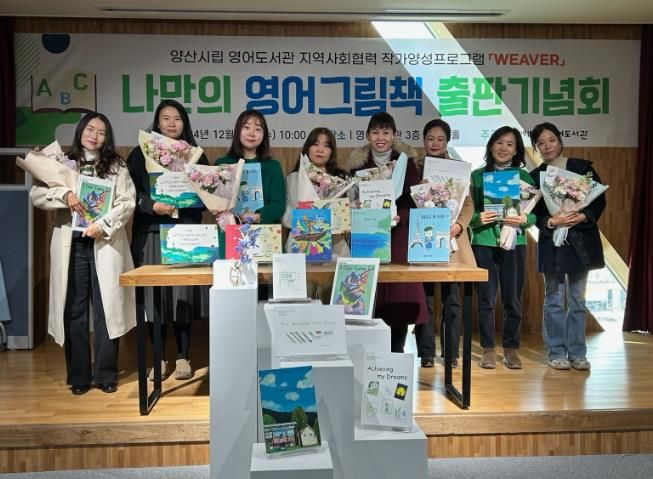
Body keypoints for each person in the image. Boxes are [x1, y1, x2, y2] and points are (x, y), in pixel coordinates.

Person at [30, 112, 136, 395]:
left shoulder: (116, 165)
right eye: (90, 129)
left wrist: (103, 225)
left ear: (107, 138)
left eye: (101, 132)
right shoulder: (62, 162)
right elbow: (36, 195)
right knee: (74, 310)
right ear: (80, 131)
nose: (94, 136)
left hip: (104, 242)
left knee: (106, 309)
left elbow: (127, 202)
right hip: (73, 244)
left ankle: (106, 374)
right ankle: (78, 376)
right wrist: (64, 195)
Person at [127, 99, 208, 381]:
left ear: (185, 123)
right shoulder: (140, 154)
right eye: (166, 118)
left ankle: (184, 357)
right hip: (151, 231)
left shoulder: (196, 156)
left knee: (181, 297)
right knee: (154, 298)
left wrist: (193, 199)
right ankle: (158, 358)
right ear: (157, 122)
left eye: (177, 118)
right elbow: (130, 193)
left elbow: (208, 196)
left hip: (185, 233)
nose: (172, 123)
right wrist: (152, 206)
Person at [347, 112, 428, 353]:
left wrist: (399, 216)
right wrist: (357, 207)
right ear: (367, 135)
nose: (380, 137)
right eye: (375, 132)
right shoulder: (358, 164)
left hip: (398, 234)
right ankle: (369, 351)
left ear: (394, 135)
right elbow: (352, 199)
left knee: (398, 293)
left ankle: (397, 351)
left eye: (386, 132)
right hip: (369, 234)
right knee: (369, 290)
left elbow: (413, 201)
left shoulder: (406, 162)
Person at [530, 122, 606, 371]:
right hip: (552, 243)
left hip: (580, 242)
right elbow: (532, 213)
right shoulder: (535, 177)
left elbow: (599, 201)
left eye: (551, 140)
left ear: (560, 141)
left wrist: (582, 216)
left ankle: (577, 353)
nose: (547, 146)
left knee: (577, 299)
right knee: (553, 299)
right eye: (541, 143)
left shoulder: (582, 169)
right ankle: (556, 352)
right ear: (536, 148)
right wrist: (551, 221)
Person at [469, 126, 535, 369]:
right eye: (499, 142)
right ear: (490, 146)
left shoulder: (523, 177)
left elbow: (534, 214)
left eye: (509, 144)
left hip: (514, 242)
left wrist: (525, 219)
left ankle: (511, 349)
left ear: (516, 150)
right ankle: (488, 348)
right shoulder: (477, 176)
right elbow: (466, 211)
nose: (503, 148)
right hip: (484, 241)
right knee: (485, 299)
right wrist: (477, 219)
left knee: (512, 298)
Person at [414, 119, 475, 369]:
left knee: (453, 301)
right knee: (425, 299)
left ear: (447, 142)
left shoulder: (459, 169)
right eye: (430, 138)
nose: (435, 143)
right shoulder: (414, 167)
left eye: (440, 139)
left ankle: (451, 353)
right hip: (424, 239)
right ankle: (426, 352)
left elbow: (468, 204)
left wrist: (458, 225)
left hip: (452, 240)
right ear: (424, 141)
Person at [215, 109, 286, 254]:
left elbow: (278, 204)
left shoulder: (273, 166)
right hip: (230, 232)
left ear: (264, 135)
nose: (252, 133)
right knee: (231, 269)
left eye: (258, 129)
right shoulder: (222, 164)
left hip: (264, 234)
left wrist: (259, 216)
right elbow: (216, 202)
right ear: (238, 131)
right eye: (246, 127)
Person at [282, 127, 349, 259]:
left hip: (335, 249)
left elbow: (347, 212)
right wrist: (303, 217)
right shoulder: (292, 179)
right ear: (308, 148)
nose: (320, 150)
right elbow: (284, 213)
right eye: (316, 144)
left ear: (332, 151)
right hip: (300, 246)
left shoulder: (341, 180)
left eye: (326, 146)